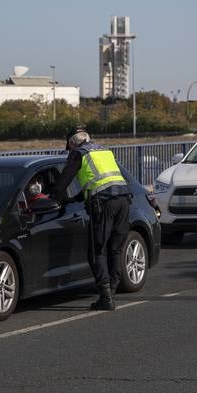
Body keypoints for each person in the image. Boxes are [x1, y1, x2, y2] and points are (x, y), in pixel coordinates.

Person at [55, 128, 131, 311]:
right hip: (124, 200)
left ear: (72, 144)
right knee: (116, 249)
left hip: (104, 204)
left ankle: (106, 297)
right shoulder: (103, 150)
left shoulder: (78, 154)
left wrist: (55, 198)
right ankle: (111, 291)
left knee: (98, 250)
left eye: (69, 148)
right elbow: (99, 181)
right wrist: (76, 199)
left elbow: (63, 182)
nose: (69, 151)